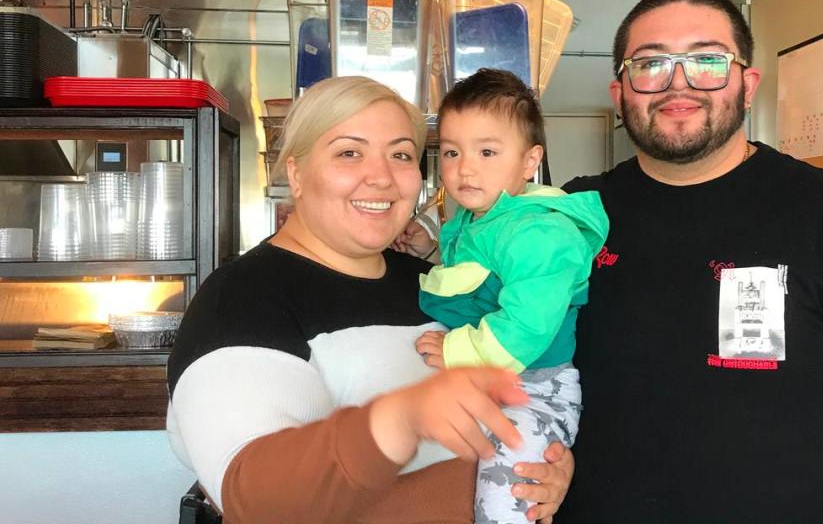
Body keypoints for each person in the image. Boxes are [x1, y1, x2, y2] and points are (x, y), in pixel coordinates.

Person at [555, 0, 823, 522]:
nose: (678, 83)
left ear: (747, 85)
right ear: (620, 92)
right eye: (649, 64)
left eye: (708, 61)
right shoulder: (568, 216)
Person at [165, 75, 573, 524]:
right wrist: (398, 419)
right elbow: (257, 499)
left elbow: (505, 398)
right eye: (348, 152)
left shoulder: (434, 282)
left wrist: (537, 467)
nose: (381, 177)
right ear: (296, 173)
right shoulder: (241, 300)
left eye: (400, 154)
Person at [405, 68, 608, 523]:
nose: (465, 167)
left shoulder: (541, 232)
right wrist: (432, 248)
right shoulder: (477, 217)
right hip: (485, 383)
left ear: (529, 160)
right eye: (453, 152)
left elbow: (528, 322)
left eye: (487, 151)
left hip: (533, 389)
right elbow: (477, 273)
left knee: (508, 493)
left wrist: (459, 350)